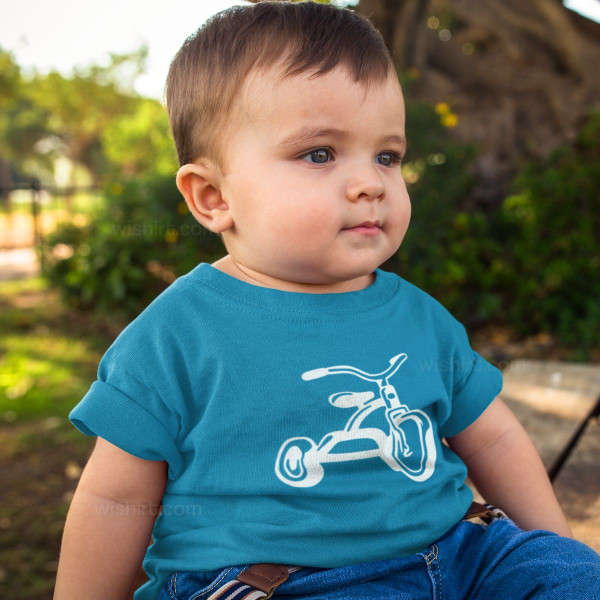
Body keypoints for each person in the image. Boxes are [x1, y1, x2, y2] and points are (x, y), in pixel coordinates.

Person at [54, 2, 600, 599]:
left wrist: (553, 551)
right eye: (320, 153)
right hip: (283, 581)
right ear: (212, 196)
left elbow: (492, 438)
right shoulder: (178, 335)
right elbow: (115, 497)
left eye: (388, 156)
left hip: (459, 554)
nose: (372, 182)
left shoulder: (418, 316)